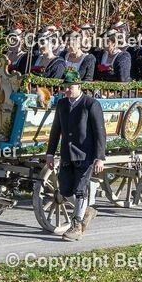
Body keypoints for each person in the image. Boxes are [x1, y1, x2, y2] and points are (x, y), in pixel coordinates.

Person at [44, 69, 106, 241]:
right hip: (66, 154)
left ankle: (76, 225)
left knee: (79, 190)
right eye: (65, 88)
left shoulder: (90, 104)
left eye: (70, 87)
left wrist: (100, 157)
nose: (67, 91)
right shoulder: (62, 105)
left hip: (85, 155)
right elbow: (56, 130)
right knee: (64, 190)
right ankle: (87, 209)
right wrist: (50, 153)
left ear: (79, 86)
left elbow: (100, 132)